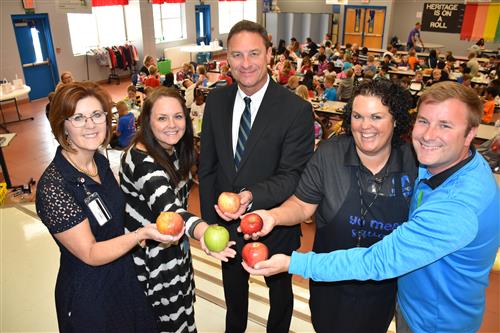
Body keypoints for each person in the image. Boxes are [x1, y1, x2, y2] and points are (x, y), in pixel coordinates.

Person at [244, 81, 499, 333]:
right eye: (423, 121)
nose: (429, 135)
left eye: (445, 125)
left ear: (470, 134)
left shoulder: (438, 182)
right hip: (362, 295)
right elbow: (302, 203)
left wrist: (293, 263)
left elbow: (379, 261)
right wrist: (273, 216)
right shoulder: (434, 164)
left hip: (430, 317)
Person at [241, 79, 416, 333]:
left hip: (383, 286)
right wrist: (273, 216)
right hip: (329, 282)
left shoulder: (412, 161)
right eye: (357, 116)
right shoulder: (330, 154)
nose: (365, 126)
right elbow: (302, 205)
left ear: (396, 120)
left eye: (376, 117)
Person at [198, 20, 314, 333]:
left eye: (253, 53)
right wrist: (211, 222)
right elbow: (207, 167)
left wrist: (250, 197)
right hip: (225, 226)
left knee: (280, 295)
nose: (246, 63)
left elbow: (293, 176)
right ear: (227, 59)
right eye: (237, 55)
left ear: (269, 55)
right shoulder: (216, 101)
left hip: (275, 222)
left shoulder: (296, 110)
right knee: (234, 297)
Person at [36, 82, 178, 332]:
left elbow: (113, 218)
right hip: (89, 295)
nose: (90, 125)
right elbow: (89, 252)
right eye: (78, 117)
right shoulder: (54, 187)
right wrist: (140, 234)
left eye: (97, 115)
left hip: (123, 278)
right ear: (63, 125)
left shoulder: (99, 162)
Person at [120, 87, 236, 332]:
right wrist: (203, 231)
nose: (171, 124)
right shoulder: (141, 161)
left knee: (182, 315)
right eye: (162, 118)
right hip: (151, 258)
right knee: (163, 321)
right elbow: (170, 208)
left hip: (174, 249)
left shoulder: (173, 149)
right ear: (146, 122)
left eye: (178, 116)